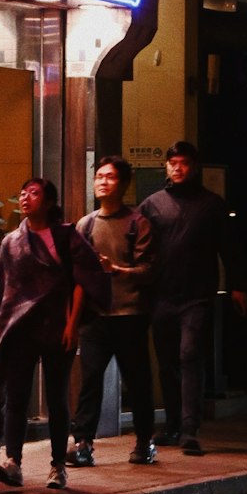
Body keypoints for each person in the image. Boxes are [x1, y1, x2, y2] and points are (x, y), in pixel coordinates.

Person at [0, 177, 111, 490]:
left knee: (57, 399)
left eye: (34, 193)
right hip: (21, 330)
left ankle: (58, 466)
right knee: (16, 397)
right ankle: (13, 461)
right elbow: (3, 292)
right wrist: (1, 328)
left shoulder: (66, 236)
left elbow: (83, 279)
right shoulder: (10, 242)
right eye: (22, 192)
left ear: (48, 202)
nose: (25, 197)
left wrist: (73, 324)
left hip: (58, 326)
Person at [139, 141, 247, 456]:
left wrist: (238, 285)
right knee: (167, 362)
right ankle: (172, 425)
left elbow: (229, 247)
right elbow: (139, 249)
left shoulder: (211, 205)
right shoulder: (151, 205)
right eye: (172, 163)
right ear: (166, 167)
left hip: (197, 296)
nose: (177, 168)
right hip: (161, 296)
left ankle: (189, 429)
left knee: (189, 356)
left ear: (194, 167)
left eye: (184, 163)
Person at [70, 156, 157, 467]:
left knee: (137, 381)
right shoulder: (86, 223)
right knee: (90, 379)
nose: (102, 182)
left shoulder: (137, 223)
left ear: (123, 184)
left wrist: (117, 269)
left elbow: (148, 269)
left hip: (130, 314)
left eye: (110, 177)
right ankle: (82, 443)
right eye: (99, 176)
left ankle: (145, 441)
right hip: (96, 316)